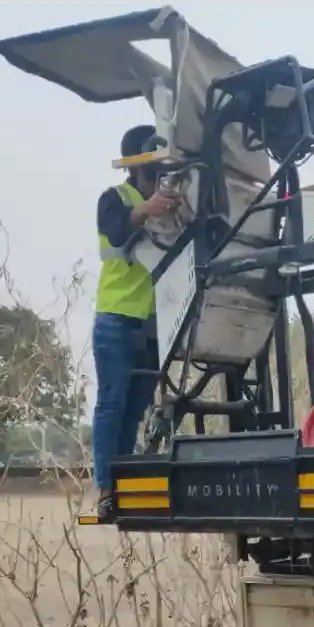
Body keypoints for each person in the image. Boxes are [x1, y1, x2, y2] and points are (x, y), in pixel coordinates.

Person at [92, 124, 181, 518]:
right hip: (115, 319)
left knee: (134, 408)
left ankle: (124, 486)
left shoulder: (169, 207)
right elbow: (114, 232)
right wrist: (147, 209)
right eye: (152, 173)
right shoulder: (114, 199)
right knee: (112, 404)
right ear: (136, 171)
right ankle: (106, 490)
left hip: (150, 325)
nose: (157, 181)